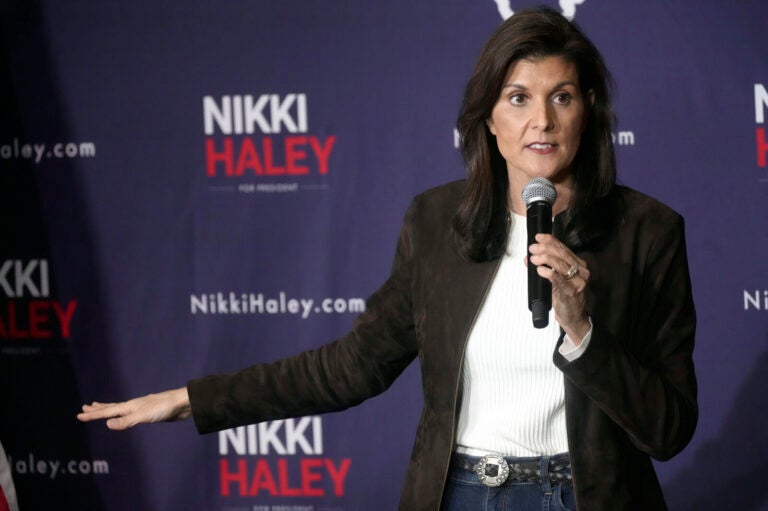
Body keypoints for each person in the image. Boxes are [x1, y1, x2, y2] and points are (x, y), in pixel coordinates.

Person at [77, 7, 697, 510]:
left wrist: (583, 332)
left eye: (561, 97)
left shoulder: (648, 233)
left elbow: (668, 430)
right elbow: (350, 368)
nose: (541, 120)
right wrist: (193, 399)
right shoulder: (435, 224)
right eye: (517, 98)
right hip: (463, 494)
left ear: (587, 110)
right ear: (487, 118)